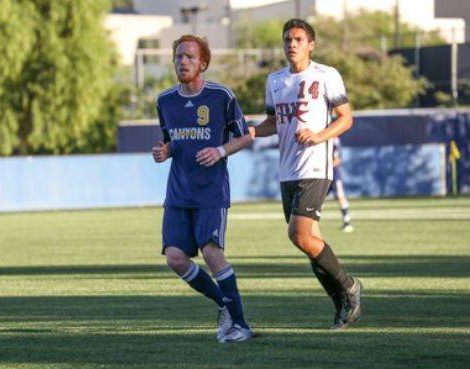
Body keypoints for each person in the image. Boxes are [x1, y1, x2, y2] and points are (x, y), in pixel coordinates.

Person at [252, 18, 362, 329]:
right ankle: (342, 304)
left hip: (315, 167)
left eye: (298, 39)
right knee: (308, 241)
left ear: (310, 45)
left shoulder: (327, 75)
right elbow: (272, 123)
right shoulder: (275, 80)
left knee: (298, 234)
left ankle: (350, 287)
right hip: (286, 171)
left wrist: (319, 135)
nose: (292, 44)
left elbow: (346, 118)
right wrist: (251, 131)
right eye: (287, 39)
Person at [152, 34, 253, 342]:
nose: (183, 61)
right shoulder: (165, 100)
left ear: (203, 63)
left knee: (211, 252)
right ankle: (223, 304)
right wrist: (165, 151)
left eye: (190, 57)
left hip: (211, 191)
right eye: (179, 56)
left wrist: (220, 151)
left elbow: (246, 135)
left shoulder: (221, 96)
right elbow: (170, 140)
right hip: (178, 193)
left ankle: (242, 326)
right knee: (175, 258)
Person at [330, 137, 354, 232]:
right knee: (317, 199)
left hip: (334, 174)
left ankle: (347, 222)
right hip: (323, 175)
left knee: (340, 196)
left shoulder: (333, 140)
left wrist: (324, 167)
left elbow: (337, 160)